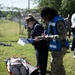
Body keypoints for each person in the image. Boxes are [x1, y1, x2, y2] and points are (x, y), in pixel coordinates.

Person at [40, 7, 69, 75]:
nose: (44, 20)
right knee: (60, 66)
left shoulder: (58, 21)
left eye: (44, 18)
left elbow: (63, 35)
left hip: (60, 48)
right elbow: (51, 32)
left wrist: (50, 37)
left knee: (54, 67)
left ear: (48, 15)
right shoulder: (51, 21)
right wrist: (45, 35)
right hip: (56, 48)